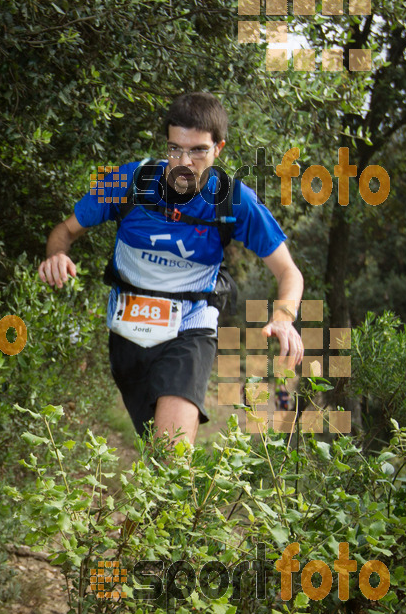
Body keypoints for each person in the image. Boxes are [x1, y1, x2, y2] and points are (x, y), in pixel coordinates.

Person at [38, 92, 304, 445]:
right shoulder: (130, 180)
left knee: (172, 452)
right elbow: (65, 231)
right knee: (153, 447)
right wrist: (56, 254)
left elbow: (289, 273)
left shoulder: (233, 200)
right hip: (128, 328)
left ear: (218, 149)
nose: (183, 162)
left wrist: (284, 316)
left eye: (198, 151)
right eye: (175, 149)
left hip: (191, 325)